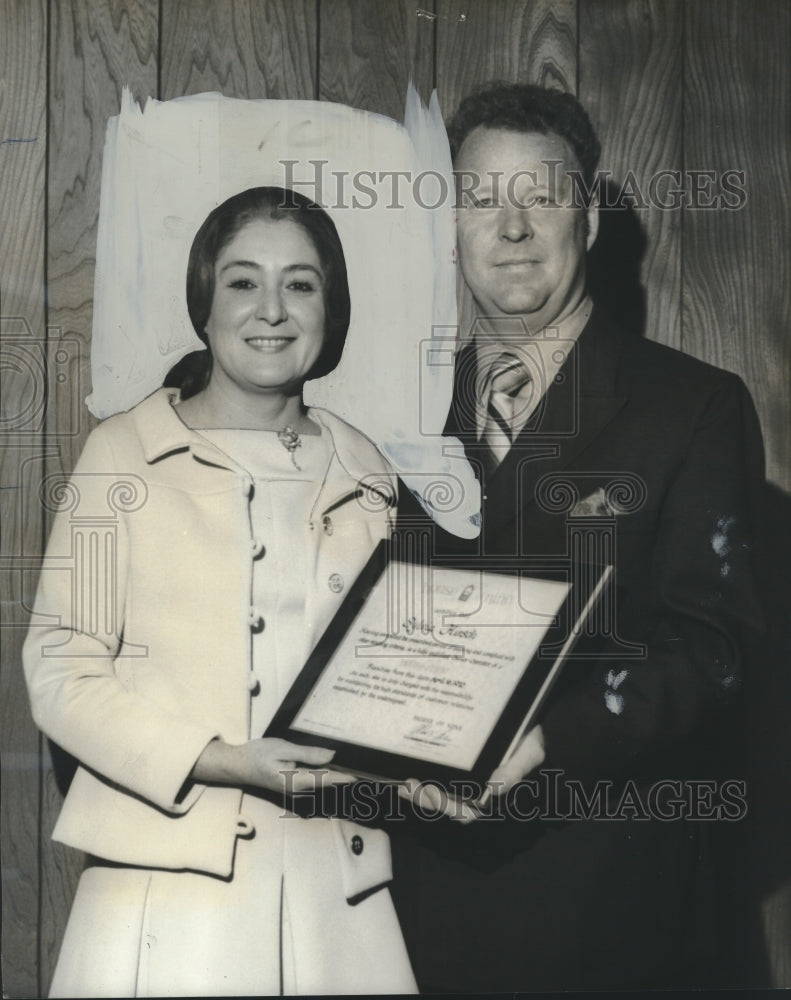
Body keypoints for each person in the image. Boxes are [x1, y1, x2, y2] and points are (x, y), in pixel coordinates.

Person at [390, 83, 765, 992]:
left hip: (608, 905)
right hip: (409, 904)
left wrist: (547, 744)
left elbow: (713, 648)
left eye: (540, 197)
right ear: (450, 227)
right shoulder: (391, 406)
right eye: (482, 199)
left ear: (588, 218)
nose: (511, 228)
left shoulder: (691, 406)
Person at [23, 186, 417, 997]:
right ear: (203, 304)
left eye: (300, 284)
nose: (271, 309)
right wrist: (221, 761)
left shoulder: (370, 472)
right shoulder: (121, 457)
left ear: (330, 310)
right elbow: (61, 671)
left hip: (337, 896)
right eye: (242, 282)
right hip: (164, 891)